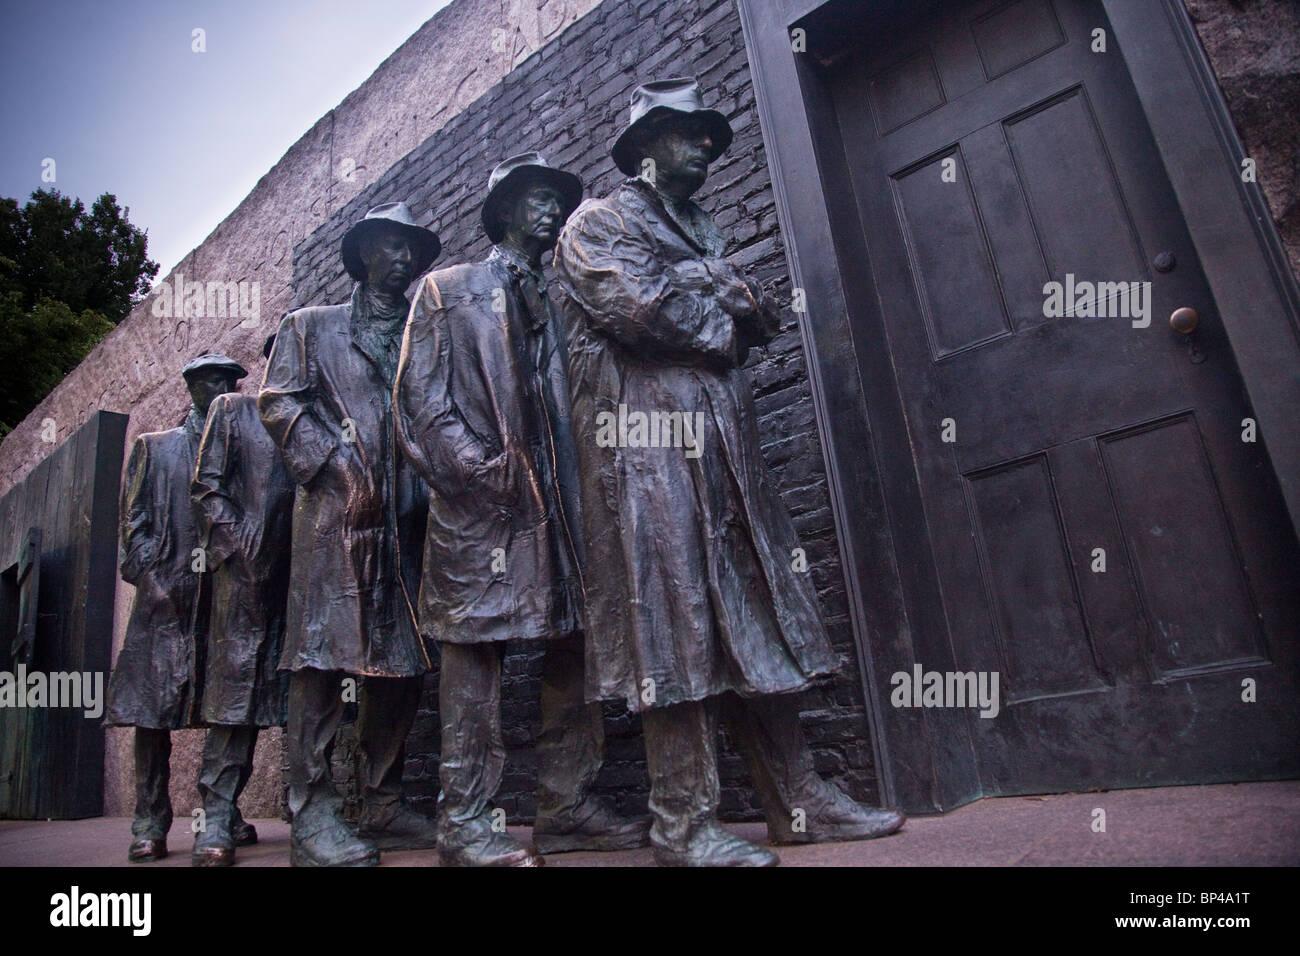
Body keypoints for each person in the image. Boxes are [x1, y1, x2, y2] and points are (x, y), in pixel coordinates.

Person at [552, 78, 906, 866]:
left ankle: (797, 802)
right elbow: (643, 312)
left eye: (710, 136)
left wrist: (718, 292)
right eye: (688, 133)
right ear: (646, 146)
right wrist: (722, 297)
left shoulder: (703, 231)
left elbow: (762, 314)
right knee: (674, 620)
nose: (706, 147)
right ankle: (682, 824)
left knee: (755, 614)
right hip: (648, 453)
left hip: (723, 449)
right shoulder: (598, 221)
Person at [395, 153, 649, 867]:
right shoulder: (450, 289)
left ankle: (567, 808)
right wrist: (478, 472)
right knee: (475, 656)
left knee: (576, 644)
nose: (549, 210)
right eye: (534, 198)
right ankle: (465, 819)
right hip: (485, 511)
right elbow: (420, 402)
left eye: (554, 199)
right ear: (502, 211)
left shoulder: (568, 299)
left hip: (567, 505)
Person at [259, 202, 441, 866]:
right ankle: (313, 812)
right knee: (322, 659)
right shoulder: (312, 326)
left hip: (412, 522)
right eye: (391, 245)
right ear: (364, 254)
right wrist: (337, 465)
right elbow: (278, 402)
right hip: (336, 522)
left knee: (405, 664)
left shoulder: (428, 331)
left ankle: (382, 804)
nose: (404, 258)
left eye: (411, 249)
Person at [105, 354, 246, 863]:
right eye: (212, 380)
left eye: (229, 380)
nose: (222, 387)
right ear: (192, 387)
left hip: (228, 601)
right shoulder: (155, 447)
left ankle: (222, 815)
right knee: (153, 713)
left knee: (232, 710)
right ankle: (149, 821)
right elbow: (133, 522)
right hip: (165, 601)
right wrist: (151, 575)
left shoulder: (245, 448)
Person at [189, 333, 295, 866]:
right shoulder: (234, 410)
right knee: (236, 699)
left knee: (309, 695)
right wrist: (236, 544)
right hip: (247, 579)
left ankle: (312, 808)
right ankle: (217, 814)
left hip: (306, 578)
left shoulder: (325, 416)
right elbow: (207, 488)